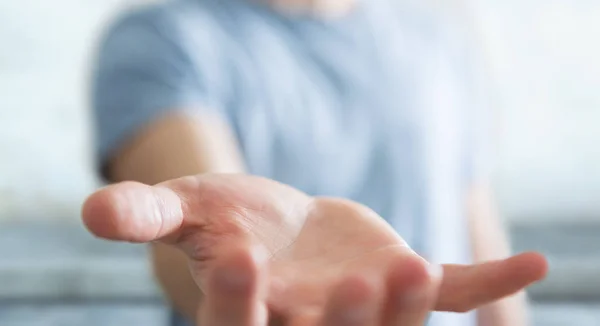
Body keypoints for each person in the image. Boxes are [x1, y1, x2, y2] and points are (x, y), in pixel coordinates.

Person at [82, 0, 548, 325]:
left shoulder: (437, 40)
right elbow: (194, 235)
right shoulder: (163, 39)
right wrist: (270, 295)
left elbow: (479, 240)